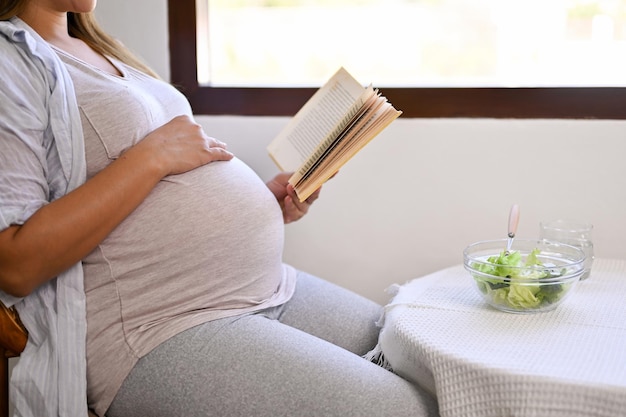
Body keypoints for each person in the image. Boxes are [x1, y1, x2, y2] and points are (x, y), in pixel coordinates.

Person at [0, 1, 439, 416]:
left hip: (265, 288)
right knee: (400, 410)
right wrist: (151, 158)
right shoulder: (10, 60)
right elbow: (16, 263)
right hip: (159, 325)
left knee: (433, 363)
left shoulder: (95, 46)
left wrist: (264, 205)